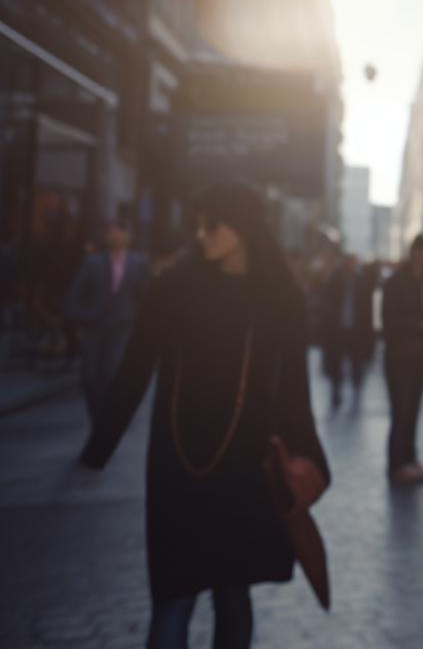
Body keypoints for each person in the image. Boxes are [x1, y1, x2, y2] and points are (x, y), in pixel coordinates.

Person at [79, 180, 329, 649]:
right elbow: (135, 366)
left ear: (242, 227)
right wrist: (98, 448)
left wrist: (310, 464)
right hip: (177, 465)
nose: (201, 234)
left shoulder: (280, 296)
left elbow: (294, 389)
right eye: (197, 224)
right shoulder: (173, 287)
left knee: (232, 594)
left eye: (211, 224)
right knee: (173, 598)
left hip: (246, 467)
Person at [67, 218, 151, 421]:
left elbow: (145, 298)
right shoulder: (92, 262)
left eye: (121, 231)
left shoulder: (139, 263)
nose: (117, 236)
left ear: (128, 236)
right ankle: (97, 417)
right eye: (112, 232)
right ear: (105, 237)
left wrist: (140, 328)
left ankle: (106, 422)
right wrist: (77, 322)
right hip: (93, 325)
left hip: (123, 325)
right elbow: (76, 293)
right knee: (88, 377)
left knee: (109, 375)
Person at [380, 233, 423, 484]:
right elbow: (388, 321)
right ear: (417, 252)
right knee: (402, 409)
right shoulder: (396, 281)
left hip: (420, 354)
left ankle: (409, 458)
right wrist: (420, 325)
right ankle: (396, 464)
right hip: (399, 355)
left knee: (414, 409)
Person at [319, 254, 376, 405]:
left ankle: (356, 384)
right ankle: (337, 389)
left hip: (356, 329)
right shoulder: (336, 280)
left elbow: (367, 308)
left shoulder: (361, 281)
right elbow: (324, 298)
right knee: (336, 360)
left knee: (355, 360)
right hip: (337, 328)